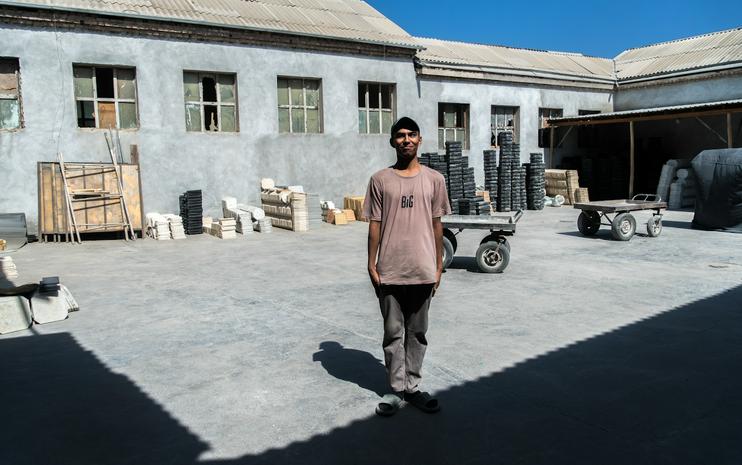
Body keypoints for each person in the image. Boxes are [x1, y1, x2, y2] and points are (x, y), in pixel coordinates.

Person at [362, 116, 452, 416]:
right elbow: (375, 225)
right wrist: (372, 264)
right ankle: (395, 390)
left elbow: (437, 225)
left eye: (412, 134)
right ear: (392, 141)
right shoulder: (380, 180)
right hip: (389, 270)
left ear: (420, 139)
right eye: (400, 135)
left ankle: (412, 388)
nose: (406, 140)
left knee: (418, 333)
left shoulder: (435, 180)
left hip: (422, 270)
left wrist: (438, 266)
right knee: (392, 333)